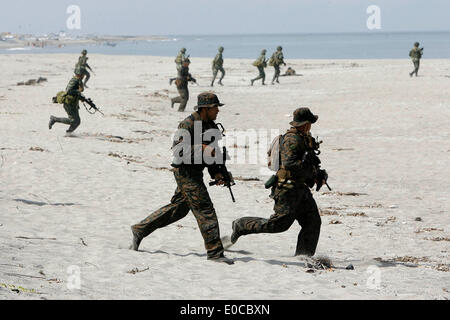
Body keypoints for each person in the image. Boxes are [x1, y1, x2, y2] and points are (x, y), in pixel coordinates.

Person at [130, 92, 234, 265]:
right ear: (205, 108)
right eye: (215, 107)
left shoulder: (211, 126)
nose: (218, 110)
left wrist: (217, 173)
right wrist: (201, 148)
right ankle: (215, 252)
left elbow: (213, 154)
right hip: (185, 172)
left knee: (179, 209)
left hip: (196, 172)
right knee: (205, 209)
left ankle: (140, 229)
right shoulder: (187, 124)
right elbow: (178, 152)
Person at [230, 108, 328, 257]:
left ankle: (303, 256)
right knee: (278, 225)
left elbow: (306, 161)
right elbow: (290, 164)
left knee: (312, 222)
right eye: (310, 123)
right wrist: (311, 173)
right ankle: (242, 225)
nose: (310, 126)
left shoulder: (303, 137)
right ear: (305, 124)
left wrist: (317, 172)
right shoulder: (291, 139)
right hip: (288, 189)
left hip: (300, 188)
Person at [48, 68, 84, 133]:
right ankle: (54, 119)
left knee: (77, 121)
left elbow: (75, 91)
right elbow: (69, 91)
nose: (84, 76)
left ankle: (69, 133)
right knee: (73, 120)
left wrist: (81, 98)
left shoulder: (78, 80)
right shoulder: (74, 80)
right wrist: (78, 91)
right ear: (80, 74)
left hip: (73, 103)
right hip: (69, 104)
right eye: (83, 74)